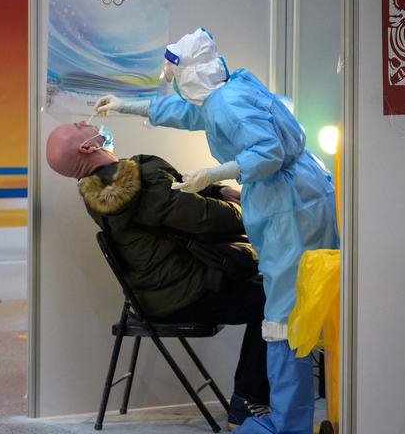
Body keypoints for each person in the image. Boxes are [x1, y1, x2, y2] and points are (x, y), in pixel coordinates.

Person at [94, 28, 339, 434]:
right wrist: (125, 106)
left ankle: (287, 423)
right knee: (309, 297)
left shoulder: (226, 104)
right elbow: (187, 111)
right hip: (305, 195)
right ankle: (308, 408)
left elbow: (266, 153)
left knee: (284, 311)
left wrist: (215, 172)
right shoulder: (233, 86)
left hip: (288, 208)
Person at [46, 121, 270, 429]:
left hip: (165, 291)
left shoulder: (119, 184)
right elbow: (202, 217)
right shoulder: (136, 186)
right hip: (182, 295)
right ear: (87, 147)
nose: (86, 122)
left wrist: (218, 189)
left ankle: (252, 397)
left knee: (269, 288)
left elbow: (177, 191)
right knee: (274, 299)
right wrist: (252, 213)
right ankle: (247, 401)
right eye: (78, 126)